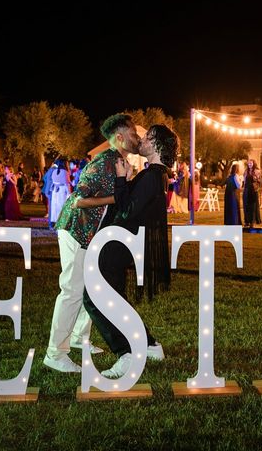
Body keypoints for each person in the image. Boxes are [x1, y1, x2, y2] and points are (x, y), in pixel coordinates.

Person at [74, 124, 178, 378]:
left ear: (155, 144)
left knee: (94, 298)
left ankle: (125, 353)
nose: (141, 140)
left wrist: (121, 179)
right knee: (115, 299)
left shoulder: (153, 175)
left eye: (146, 137)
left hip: (117, 245)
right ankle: (150, 345)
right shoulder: (155, 174)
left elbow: (126, 210)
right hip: (120, 244)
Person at [43, 114, 140, 373]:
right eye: (133, 134)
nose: (137, 139)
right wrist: (114, 198)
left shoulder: (119, 162)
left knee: (90, 286)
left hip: (89, 235)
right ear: (119, 137)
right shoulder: (103, 163)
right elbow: (77, 200)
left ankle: (77, 337)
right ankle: (55, 353)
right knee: (72, 291)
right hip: (76, 231)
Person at [48, 158, 71, 226]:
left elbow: (53, 181)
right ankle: (62, 220)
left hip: (55, 191)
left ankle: (55, 220)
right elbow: (67, 183)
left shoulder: (54, 171)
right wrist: (69, 194)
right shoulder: (65, 172)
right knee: (62, 205)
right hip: (62, 190)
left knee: (55, 206)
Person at [243, 159, 262, 227]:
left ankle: (252, 222)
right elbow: (244, 181)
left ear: (254, 163)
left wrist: (256, 178)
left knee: (253, 207)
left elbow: (259, 181)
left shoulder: (256, 171)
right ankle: (246, 221)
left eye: (251, 163)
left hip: (253, 190)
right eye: (249, 163)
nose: (250, 164)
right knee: (246, 206)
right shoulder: (246, 171)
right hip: (246, 190)